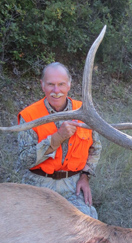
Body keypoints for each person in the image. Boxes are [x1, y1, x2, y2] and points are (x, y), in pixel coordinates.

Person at [16, 62, 102, 219]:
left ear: (69, 84)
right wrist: (56, 139)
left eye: (61, 84)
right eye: (51, 84)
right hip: (38, 185)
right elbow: (24, 160)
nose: (56, 91)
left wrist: (84, 177)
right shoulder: (29, 116)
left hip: (72, 186)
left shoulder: (85, 112)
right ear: (42, 85)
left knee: (88, 225)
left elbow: (95, 149)